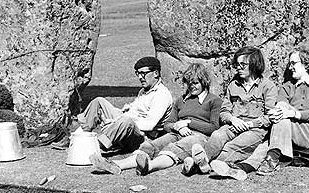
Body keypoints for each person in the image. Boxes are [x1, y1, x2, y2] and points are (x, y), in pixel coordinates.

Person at [89, 63, 222, 175]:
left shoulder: (213, 100)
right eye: (189, 83)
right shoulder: (181, 100)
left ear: (204, 82)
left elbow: (214, 127)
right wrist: (177, 127)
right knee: (150, 146)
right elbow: (167, 124)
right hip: (176, 133)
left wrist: (189, 123)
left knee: (173, 148)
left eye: (196, 83)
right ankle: (116, 165)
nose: (192, 86)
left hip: (198, 136)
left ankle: (149, 166)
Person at [182, 46, 278, 181]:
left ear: (255, 64)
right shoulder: (233, 85)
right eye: (236, 64)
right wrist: (233, 119)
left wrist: (249, 124)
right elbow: (224, 111)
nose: (238, 67)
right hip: (234, 125)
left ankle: (203, 165)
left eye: (243, 64)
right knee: (217, 135)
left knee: (233, 146)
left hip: (255, 130)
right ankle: (204, 162)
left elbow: (269, 117)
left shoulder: (268, 87)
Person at [249, 48, 309, 176]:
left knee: (282, 113)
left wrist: (291, 113)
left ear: (307, 63)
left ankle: (272, 160)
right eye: (289, 64)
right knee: (279, 115)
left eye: (293, 63)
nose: (290, 67)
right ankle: (245, 166)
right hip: (289, 129)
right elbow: (280, 109)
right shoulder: (287, 87)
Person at [71, 56, 172, 153]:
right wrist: (124, 112)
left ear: (156, 73)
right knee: (99, 101)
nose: (140, 77)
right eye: (138, 73)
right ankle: (78, 136)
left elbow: (149, 125)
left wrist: (117, 121)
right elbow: (135, 110)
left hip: (143, 137)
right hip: (127, 122)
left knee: (126, 121)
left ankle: (93, 147)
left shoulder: (162, 94)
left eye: (143, 73)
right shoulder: (144, 90)